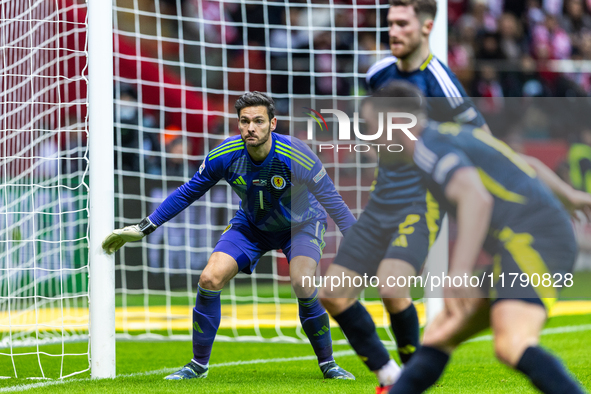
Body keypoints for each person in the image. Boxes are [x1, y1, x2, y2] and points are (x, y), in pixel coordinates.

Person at [102, 92, 356, 381]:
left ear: (273, 124)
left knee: (302, 281)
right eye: (245, 121)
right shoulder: (224, 154)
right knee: (209, 278)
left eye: (258, 121)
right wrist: (145, 227)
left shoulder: (296, 154)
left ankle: (328, 364)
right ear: (238, 125)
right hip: (250, 227)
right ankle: (197, 366)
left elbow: (333, 201)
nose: (251, 128)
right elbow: (188, 192)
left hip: (301, 226)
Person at [370, 81, 588, 394]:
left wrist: (458, 272)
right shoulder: (452, 136)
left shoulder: (426, 147)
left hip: (534, 243)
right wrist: (569, 194)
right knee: (441, 333)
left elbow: (476, 199)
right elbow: (524, 164)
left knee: (513, 343)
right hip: (523, 243)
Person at [319, 0, 489, 390]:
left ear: (427, 27)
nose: (392, 31)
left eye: (401, 23)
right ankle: (391, 377)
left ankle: (413, 381)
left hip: (422, 199)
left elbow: (483, 142)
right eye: (389, 23)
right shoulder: (378, 72)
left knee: (392, 286)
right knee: (332, 293)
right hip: (382, 196)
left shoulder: (442, 83)